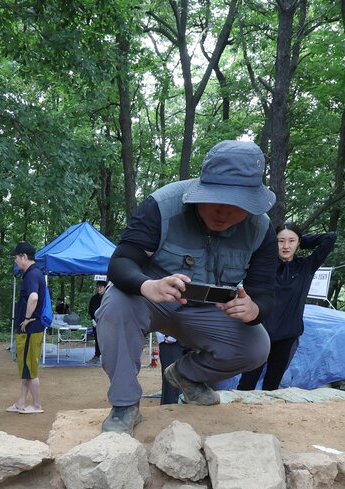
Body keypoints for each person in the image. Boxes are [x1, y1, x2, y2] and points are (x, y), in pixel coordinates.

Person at [96, 140, 278, 434]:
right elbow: (120, 263)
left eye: (235, 206)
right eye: (215, 200)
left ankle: (187, 375)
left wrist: (254, 309)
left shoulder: (262, 229)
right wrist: (147, 285)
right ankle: (125, 404)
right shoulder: (162, 205)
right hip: (150, 300)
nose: (222, 212)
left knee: (257, 345)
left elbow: (265, 292)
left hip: (207, 311)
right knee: (115, 305)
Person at [237, 223, 337, 392]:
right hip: (259, 332)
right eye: (280, 241)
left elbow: (330, 237)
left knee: (272, 385)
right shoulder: (263, 266)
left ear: (298, 243)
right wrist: (289, 240)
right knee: (247, 383)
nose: (285, 246)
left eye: (291, 241)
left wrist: (301, 240)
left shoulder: (306, 267)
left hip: (287, 335)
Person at [7, 241, 46, 414]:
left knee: (31, 370)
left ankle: (37, 405)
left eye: (16, 257)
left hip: (31, 329)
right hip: (29, 330)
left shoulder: (32, 274)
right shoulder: (34, 273)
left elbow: (34, 298)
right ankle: (21, 403)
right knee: (26, 370)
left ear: (24, 257)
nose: (15, 260)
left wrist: (27, 318)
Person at [87, 277, 107, 364]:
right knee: (97, 339)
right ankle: (97, 355)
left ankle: (108, 357)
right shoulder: (94, 298)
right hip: (96, 323)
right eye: (98, 287)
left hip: (108, 322)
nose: (99, 288)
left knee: (108, 339)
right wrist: (92, 319)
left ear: (105, 288)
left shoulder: (109, 297)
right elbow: (90, 310)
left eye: (101, 287)